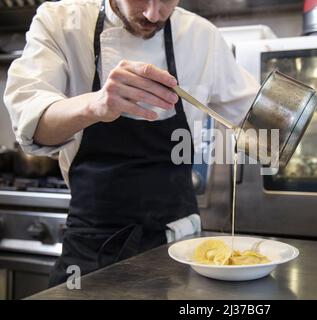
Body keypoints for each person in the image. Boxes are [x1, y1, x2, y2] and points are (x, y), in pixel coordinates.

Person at [3, 0, 258, 287]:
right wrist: (95, 105)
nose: (153, 13)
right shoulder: (61, 22)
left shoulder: (202, 38)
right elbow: (31, 122)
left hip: (179, 248)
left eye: (166, 0)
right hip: (92, 250)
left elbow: (257, 120)